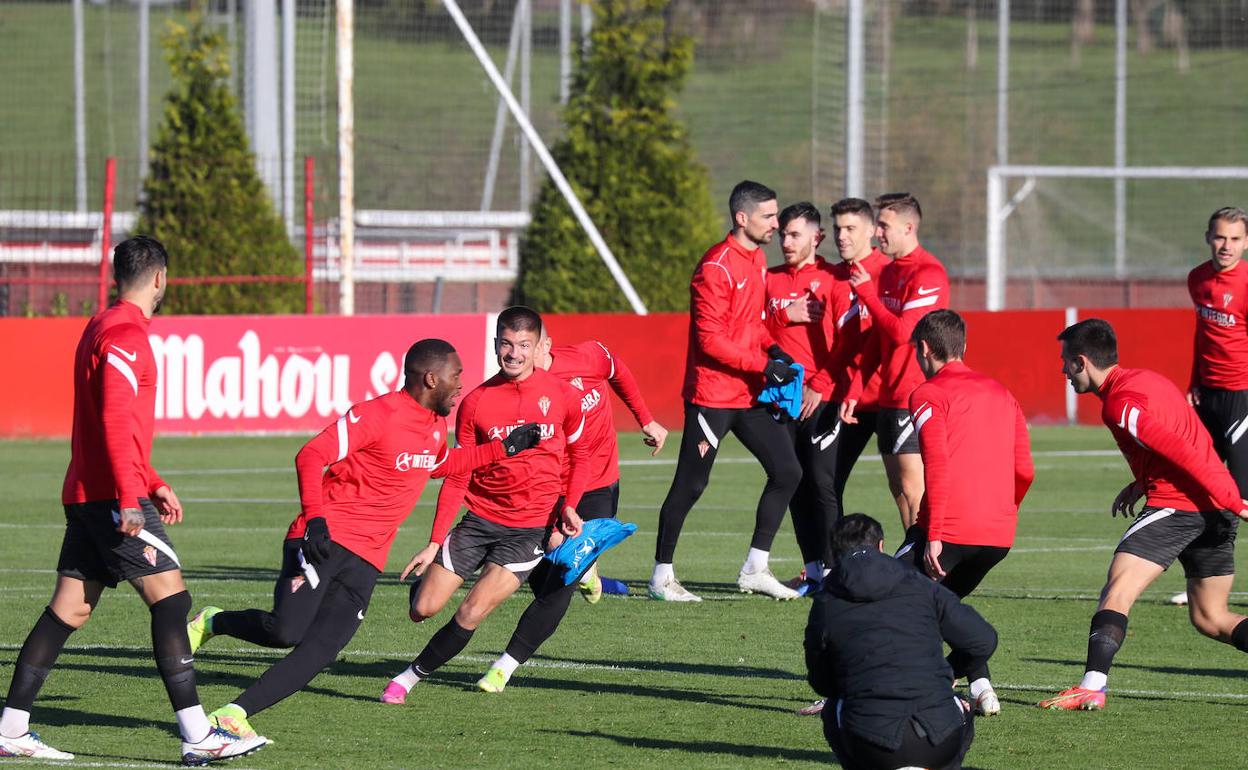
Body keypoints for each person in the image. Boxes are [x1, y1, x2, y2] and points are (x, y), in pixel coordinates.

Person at [183, 339, 540, 739]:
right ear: (431, 377)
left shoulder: (437, 426)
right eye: (456, 377)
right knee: (285, 632)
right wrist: (316, 520)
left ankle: (234, 714)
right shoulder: (378, 414)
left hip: (368, 560)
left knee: (321, 650)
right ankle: (214, 621)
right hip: (323, 540)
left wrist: (504, 449)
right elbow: (310, 455)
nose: (461, 386)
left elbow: (442, 464)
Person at [0, 236, 267, 765]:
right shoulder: (126, 336)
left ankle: (10, 727)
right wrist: (130, 495)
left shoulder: (102, 326)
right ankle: (197, 735)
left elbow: (118, 426)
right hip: (109, 496)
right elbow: (115, 421)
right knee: (172, 599)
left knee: (70, 608)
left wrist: (152, 478)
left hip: (91, 490)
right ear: (160, 278)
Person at [380, 306, 588, 704]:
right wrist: (434, 540)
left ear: (538, 347)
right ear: (495, 345)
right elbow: (459, 473)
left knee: (472, 612)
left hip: (530, 529)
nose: (514, 354)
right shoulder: (476, 402)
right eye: (507, 344)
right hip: (479, 520)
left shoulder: (562, 394)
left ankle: (407, 678)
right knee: (422, 608)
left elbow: (581, 455)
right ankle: (429, 587)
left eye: (524, 345)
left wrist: (569, 506)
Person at [1039, 319, 1248, 711]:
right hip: (1212, 511)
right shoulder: (1147, 380)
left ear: (1082, 362)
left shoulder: (1120, 403)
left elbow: (1177, 448)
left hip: (1181, 506)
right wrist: (1142, 482)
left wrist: (1234, 497)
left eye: (1066, 362)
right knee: (1211, 617)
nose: (1063, 371)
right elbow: (1187, 435)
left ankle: (1092, 685)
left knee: (1117, 590)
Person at [474, 337, 667, 692]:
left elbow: (618, 370)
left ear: (545, 344)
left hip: (597, 487)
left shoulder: (588, 355)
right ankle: (586, 571)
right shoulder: (515, 395)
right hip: (548, 492)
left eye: (529, 346)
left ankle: (504, 667)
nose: (522, 355)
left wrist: (647, 420)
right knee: (543, 575)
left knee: (562, 581)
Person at [651, 180, 803, 602]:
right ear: (742, 218)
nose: (776, 223)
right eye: (768, 216)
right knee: (691, 485)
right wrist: (763, 365)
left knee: (788, 471)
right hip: (711, 397)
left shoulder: (755, 259)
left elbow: (750, 322)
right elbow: (711, 341)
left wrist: (773, 350)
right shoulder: (715, 268)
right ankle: (661, 577)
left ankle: (756, 568)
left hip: (746, 395)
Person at [894, 309, 1034, 716]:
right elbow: (1025, 468)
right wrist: (1005, 510)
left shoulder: (927, 393)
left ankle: (848, 693)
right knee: (943, 606)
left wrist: (934, 532)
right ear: (964, 347)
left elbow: (936, 462)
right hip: (997, 536)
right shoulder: (1002, 392)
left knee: (881, 593)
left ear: (923, 349)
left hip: (949, 529)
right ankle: (981, 687)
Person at [806, 514, 994, 770]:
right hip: (938, 737)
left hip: (872, 743)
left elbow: (821, 682)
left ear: (834, 551)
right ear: (881, 545)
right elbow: (983, 640)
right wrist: (949, 671)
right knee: (959, 708)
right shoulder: (922, 586)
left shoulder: (826, 601)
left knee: (832, 709)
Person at [844, 193, 948, 531]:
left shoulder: (929, 272)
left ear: (908, 227)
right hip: (889, 397)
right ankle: (913, 559)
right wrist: (856, 390)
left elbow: (905, 332)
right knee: (899, 491)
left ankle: (926, 566)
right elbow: (877, 338)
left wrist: (868, 295)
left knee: (914, 488)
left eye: (884, 226)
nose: (877, 233)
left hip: (915, 395)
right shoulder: (888, 273)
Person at [1173, 206, 1248, 606]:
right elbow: (1203, 335)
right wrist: (1194, 381)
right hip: (1208, 395)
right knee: (1197, 482)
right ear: (1208, 237)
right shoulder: (1197, 279)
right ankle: (1203, 580)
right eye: (1220, 237)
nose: (1226, 246)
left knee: (1240, 493)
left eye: (1235, 239)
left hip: (1243, 396)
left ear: (1246, 242)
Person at [763, 202, 839, 592]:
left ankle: (835, 570)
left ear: (817, 237)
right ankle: (813, 569)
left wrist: (821, 384)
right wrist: (782, 316)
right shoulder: (768, 279)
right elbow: (750, 330)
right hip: (780, 399)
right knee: (791, 482)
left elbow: (847, 342)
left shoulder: (833, 279)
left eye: (794, 234)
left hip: (820, 398)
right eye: (783, 234)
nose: (786, 242)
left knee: (822, 484)